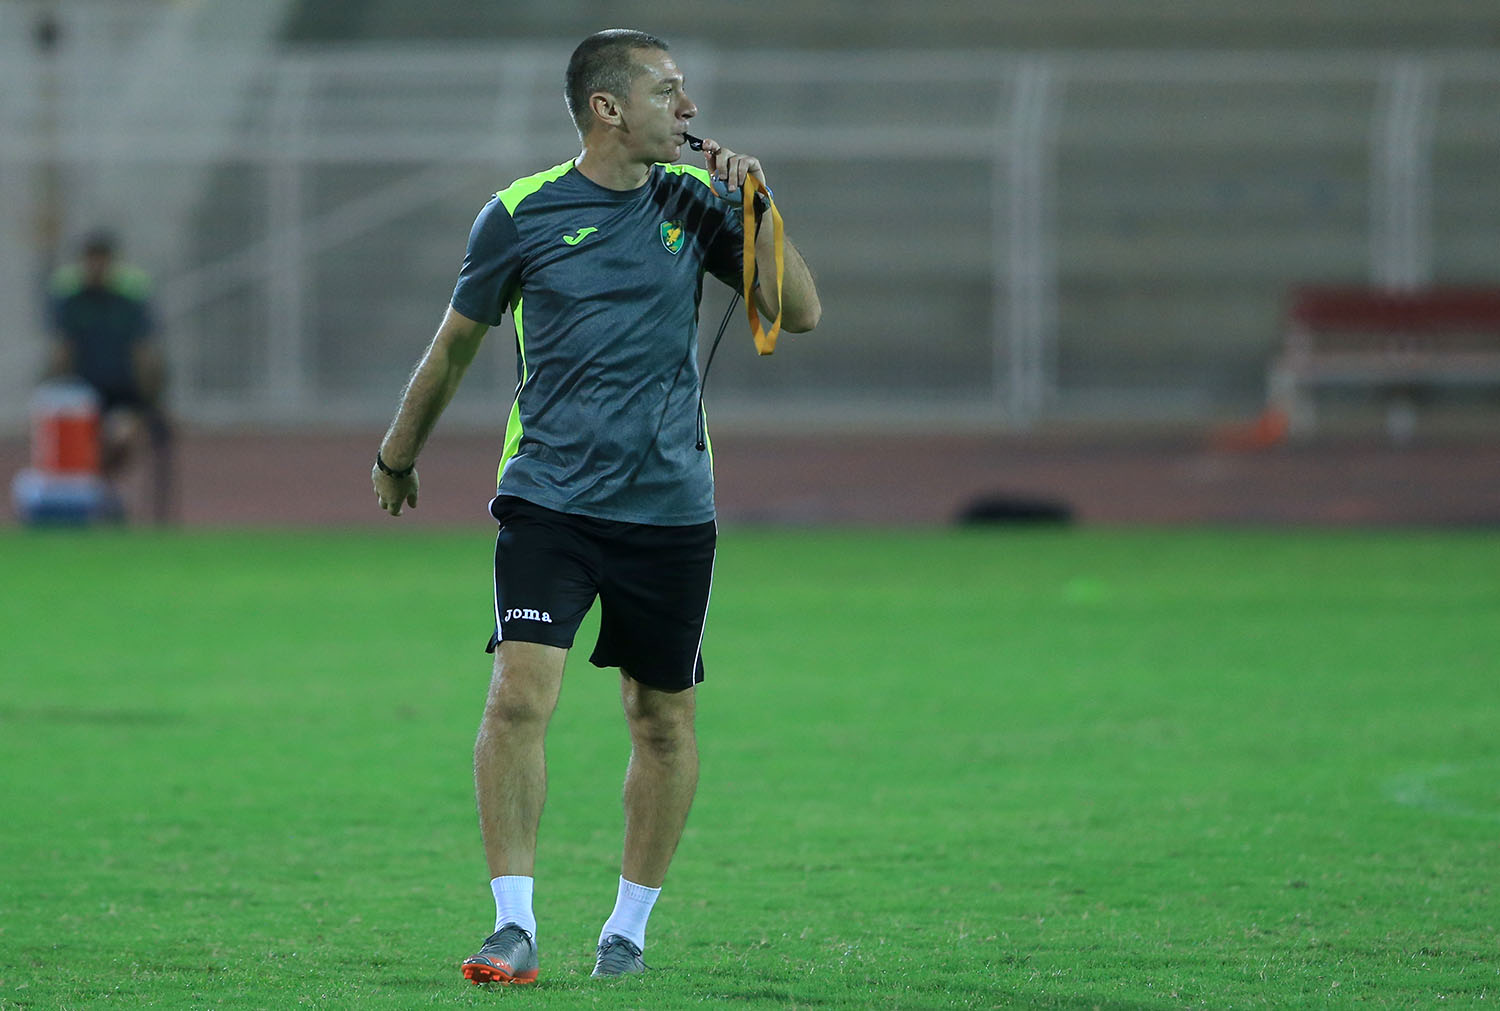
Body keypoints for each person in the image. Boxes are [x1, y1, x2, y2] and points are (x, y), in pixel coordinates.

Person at [370, 28, 820, 985]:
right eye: (668, 91)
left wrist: (761, 206)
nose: (687, 110)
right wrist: (397, 455)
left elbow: (800, 310)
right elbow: (454, 346)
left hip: (670, 506)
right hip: (551, 499)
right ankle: (513, 926)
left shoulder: (697, 201)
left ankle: (627, 932)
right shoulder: (520, 213)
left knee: (661, 718)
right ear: (608, 108)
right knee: (518, 694)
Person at [44, 230, 174, 522]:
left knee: (120, 434)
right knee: (70, 440)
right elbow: (62, 349)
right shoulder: (71, 300)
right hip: (81, 395)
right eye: (92, 260)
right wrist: (55, 391)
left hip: (123, 394)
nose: (97, 266)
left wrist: (151, 398)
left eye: (102, 260)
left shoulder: (129, 301)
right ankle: (97, 498)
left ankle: (103, 493)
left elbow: (144, 351)